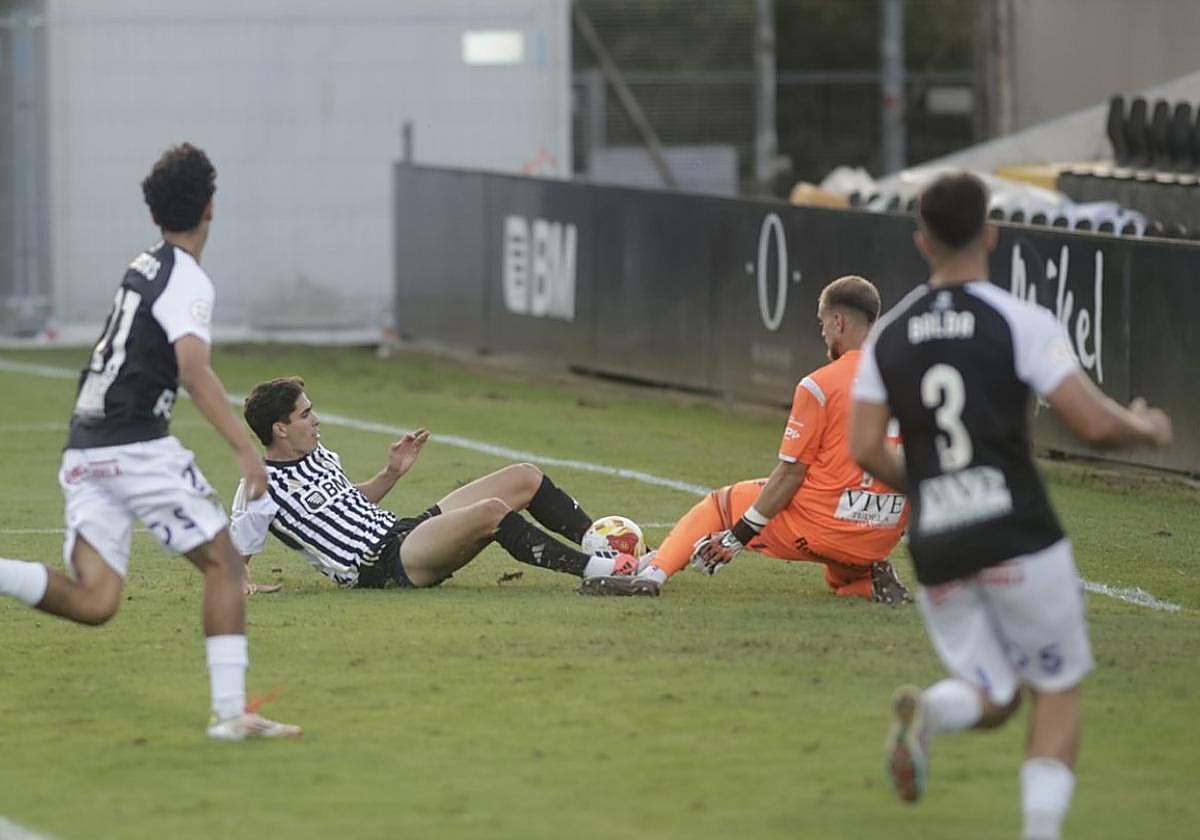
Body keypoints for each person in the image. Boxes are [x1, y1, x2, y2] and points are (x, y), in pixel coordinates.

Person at [848, 172, 1173, 840]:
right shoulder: (1019, 320)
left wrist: (931, 483)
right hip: (1017, 531)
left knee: (995, 693)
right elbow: (1093, 424)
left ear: (923, 241)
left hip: (940, 540)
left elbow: (865, 448)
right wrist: (1144, 426)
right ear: (991, 234)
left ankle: (930, 713)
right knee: (1054, 687)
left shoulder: (890, 335)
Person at [0, 143, 300, 741]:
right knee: (223, 563)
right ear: (209, 207)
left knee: (96, 601)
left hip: (86, 446)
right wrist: (245, 448)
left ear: (155, 212)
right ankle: (231, 714)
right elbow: (193, 369)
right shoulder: (187, 277)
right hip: (135, 445)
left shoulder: (144, 265)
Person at [582, 275, 911, 602]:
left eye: (822, 322)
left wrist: (736, 537)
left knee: (721, 503)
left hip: (822, 527)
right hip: (879, 535)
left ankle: (650, 578)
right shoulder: (910, 378)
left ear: (838, 321)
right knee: (840, 576)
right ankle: (873, 582)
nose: (822, 332)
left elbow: (789, 475)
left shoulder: (819, 385)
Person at [230, 376, 631, 590]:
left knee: (523, 477)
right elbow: (240, 541)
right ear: (280, 429)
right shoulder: (261, 484)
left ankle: (602, 544)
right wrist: (242, 580)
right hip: (378, 563)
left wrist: (391, 473)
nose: (315, 419)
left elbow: (348, 502)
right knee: (492, 512)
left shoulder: (319, 454)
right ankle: (604, 571)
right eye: (305, 415)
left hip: (403, 533)